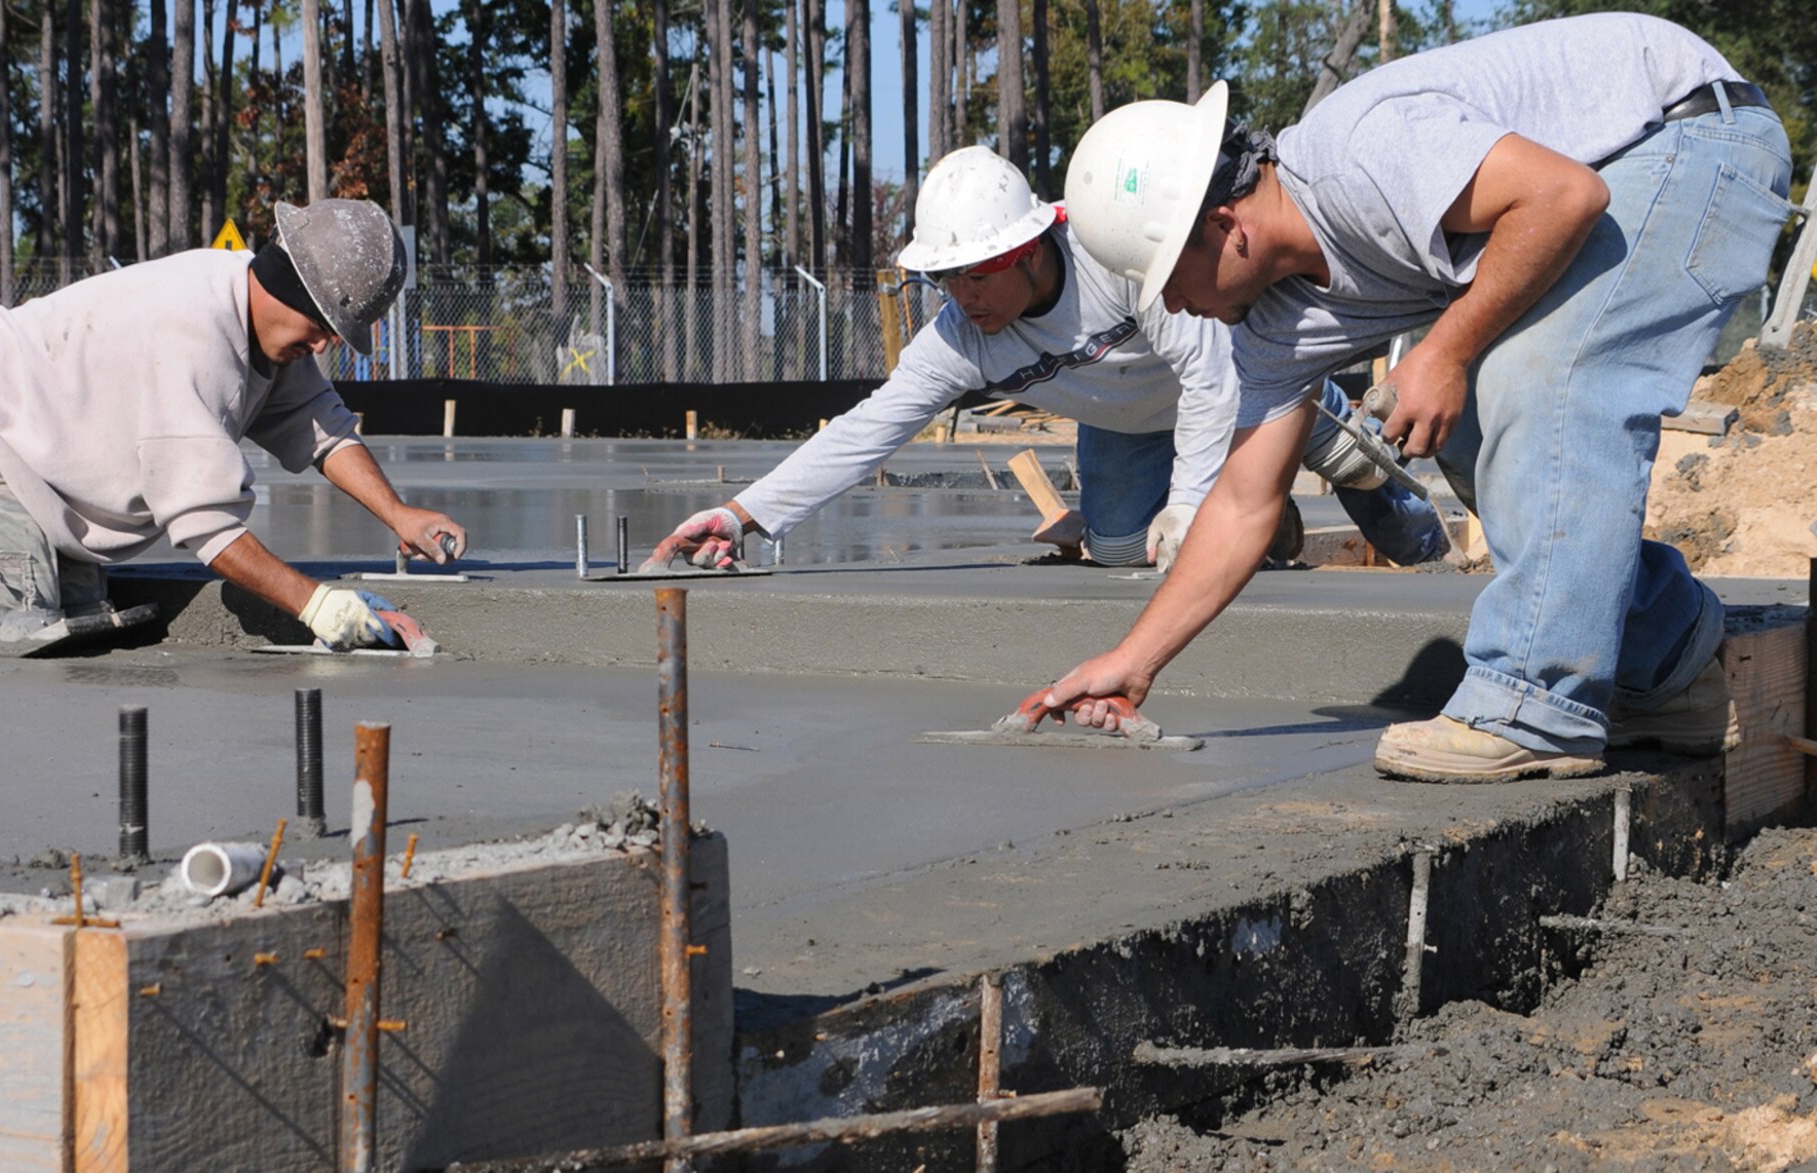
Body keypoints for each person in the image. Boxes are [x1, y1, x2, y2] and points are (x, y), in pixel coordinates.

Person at [1043, 13, 1792, 781]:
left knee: (1539, 373)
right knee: (1465, 419)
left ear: (1227, 226)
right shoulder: (1270, 324)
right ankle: (1668, 666)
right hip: (1610, 169)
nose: (1168, 307)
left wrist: (1449, 348)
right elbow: (1242, 503)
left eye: (1169, 278)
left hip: (1691, 133)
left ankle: (1533, 703)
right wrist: (1134, 660)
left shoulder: (1359, 155)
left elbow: (1566, 195)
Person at [642, 146, 1446, 574]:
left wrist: (1196, 507)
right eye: (946, 277)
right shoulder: (963, 335)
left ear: (1030, 247)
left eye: (978, 271)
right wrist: (742, 515)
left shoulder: (1110, 252)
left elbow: (1207, 375)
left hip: (1237, 382)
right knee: (1130, 552)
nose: (963, 294)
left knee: (1353, 462)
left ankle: (1342, 451)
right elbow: (866, 431)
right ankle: (1267, 521)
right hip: (1129, 423)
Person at [0, 198, 465, 649]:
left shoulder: (260, 319)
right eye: (322, 327)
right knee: (4, 607)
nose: (325, 346)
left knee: (78, 612)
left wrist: (398, 513)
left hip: (7, 451)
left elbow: (319, 424)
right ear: (291, 290)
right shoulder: (195, 337)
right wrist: (316, 604)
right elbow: (204, 525)